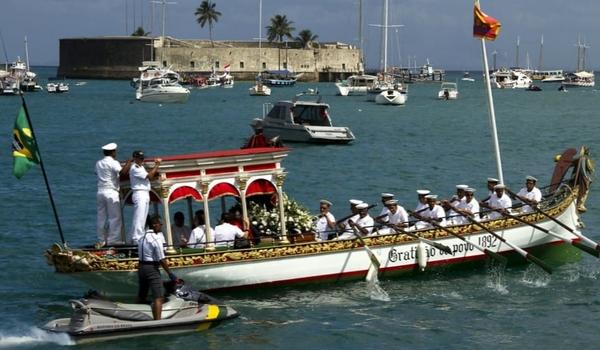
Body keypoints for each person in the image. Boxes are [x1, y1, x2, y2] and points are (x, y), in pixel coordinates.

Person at [137, 215, 178, 320]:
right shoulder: (156, 239)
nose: (161, 226)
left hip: (141, 268)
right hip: (151, 268)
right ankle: (158, 321)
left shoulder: (142, 237)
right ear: (155, 225)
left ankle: (137, 316)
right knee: (159, 296)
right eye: (160, 224)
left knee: (142, 294)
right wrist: (170, 274)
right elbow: (161, 259)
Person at [95, 142, 132, 247]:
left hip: (100, 191)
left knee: (101, 217)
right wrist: (128, 162)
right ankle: (113, 240)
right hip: (111, 192)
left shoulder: (98, 163)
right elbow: (123, 172)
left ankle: (101, 240)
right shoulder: (113, 162)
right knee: (115, 217)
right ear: (112, 152)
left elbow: (96, 173)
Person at [129, 150, 162, 244]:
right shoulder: (135, 168)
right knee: (139, 217)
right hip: (139, 193)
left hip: (144, 193)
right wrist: (157, 165)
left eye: (142, 158)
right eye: (140, 158)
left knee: (143, 217)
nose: (142, 160)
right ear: (135, 158)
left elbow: (148, 178)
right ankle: (136, 238)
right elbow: (149, 176)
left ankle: (140, 236)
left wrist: (157, 177)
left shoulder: (141, 167)